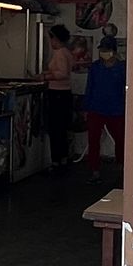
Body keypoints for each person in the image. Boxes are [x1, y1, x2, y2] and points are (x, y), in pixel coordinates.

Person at [83, 31, 127, 179]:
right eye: (102, 50)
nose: (104, 53)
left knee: (121, 140)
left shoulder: (122, 68)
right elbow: (89, 87)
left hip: (117, 109)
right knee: (93, 140)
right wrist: (86, 108)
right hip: (96, 108)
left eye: (106, 50)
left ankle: (122, 167)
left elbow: (127, 89)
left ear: (114, 51)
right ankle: (94, 170)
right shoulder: (95, 67)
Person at [42, 24, 76, 170]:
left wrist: (45, 76)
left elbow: (62, 73)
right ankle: (62, 158)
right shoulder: (67, 53)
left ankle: (56, 161)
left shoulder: (60, 53)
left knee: (56, 128)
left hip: (57, 93)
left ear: (55, 38)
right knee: (61, 128)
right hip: (65, 93)